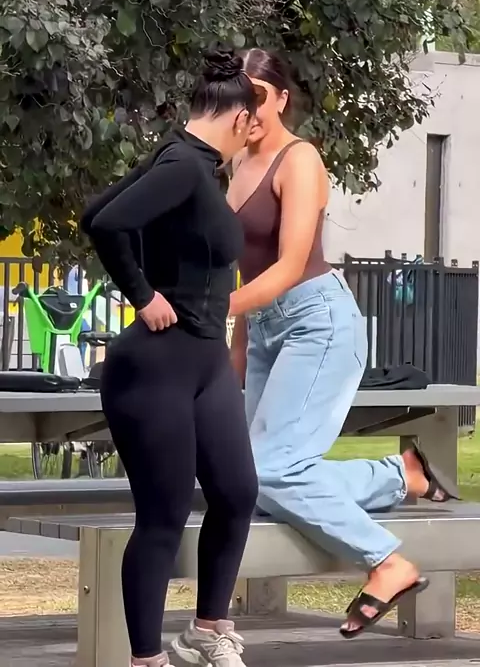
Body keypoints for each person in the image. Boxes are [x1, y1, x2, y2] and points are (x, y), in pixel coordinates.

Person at [227, 48, 458, 639]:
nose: (247, 107)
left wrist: (213, 310)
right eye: (237, 94)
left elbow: (287, 266)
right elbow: (247, 267)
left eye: (257, 95)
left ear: (281, 97)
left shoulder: (299, 159)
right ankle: (398, 475)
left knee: (270, 469)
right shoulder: (237, 161)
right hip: (264, 326)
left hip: (317, 322)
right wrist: (237, 347)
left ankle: (387, 561)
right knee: (250, 484)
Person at [81, 48, 262, 667]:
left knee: (236, 492)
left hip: (205, 362)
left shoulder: (182, 160)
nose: (248, 143)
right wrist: (142, 295)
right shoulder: (184, 165)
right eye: (251, 131)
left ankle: (209, 630)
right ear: (239, 119)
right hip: (157, 365)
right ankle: (147, 659)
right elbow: (104, 223)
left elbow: (93, 211)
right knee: (163, 514)